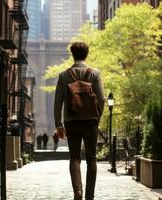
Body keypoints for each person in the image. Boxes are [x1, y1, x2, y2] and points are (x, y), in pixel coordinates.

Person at [54, 41, 105, 200]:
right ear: (86, 54)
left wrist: (58, 124)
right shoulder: (94, 73)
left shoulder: (64, 75)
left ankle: (77, 191)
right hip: (90, 121)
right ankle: (89, 196)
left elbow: (58, 102)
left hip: (71, 121)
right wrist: (97, 117)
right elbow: (102, 99)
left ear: (73, 54)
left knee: (74, 157)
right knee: (91, 159)